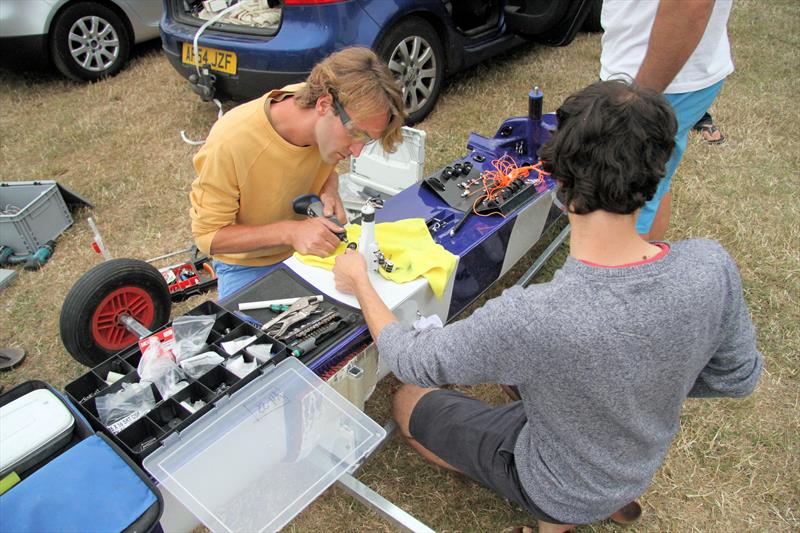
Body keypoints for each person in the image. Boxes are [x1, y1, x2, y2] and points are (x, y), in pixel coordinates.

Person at [332, 80, 763, 532]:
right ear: (657, 169)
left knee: (408, 401)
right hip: (636, 462)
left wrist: (361, 281)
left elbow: (412, 360)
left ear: (558, 181)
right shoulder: (711, 264)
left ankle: (551, 521)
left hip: (557, 487)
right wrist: (644, 381)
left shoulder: (533, 318)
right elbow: (737, 377)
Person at [189, 47, 405, 300]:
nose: (356, 152)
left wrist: (329, 187)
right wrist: (290, 232)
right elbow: (208, 237)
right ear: (324, 105)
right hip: (248, 264)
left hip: (313, 248)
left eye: (366, 139)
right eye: (356, 133)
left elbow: (313, 164)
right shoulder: (230, 143)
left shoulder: (327, 109)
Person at [600, 0, 734, 240]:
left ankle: (630, 276)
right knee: (653, 182)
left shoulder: (642, 94)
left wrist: (641, 98)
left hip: (658, 74)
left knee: (626, 197)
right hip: (661, 67)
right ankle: (647, 265)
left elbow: (691, 4)